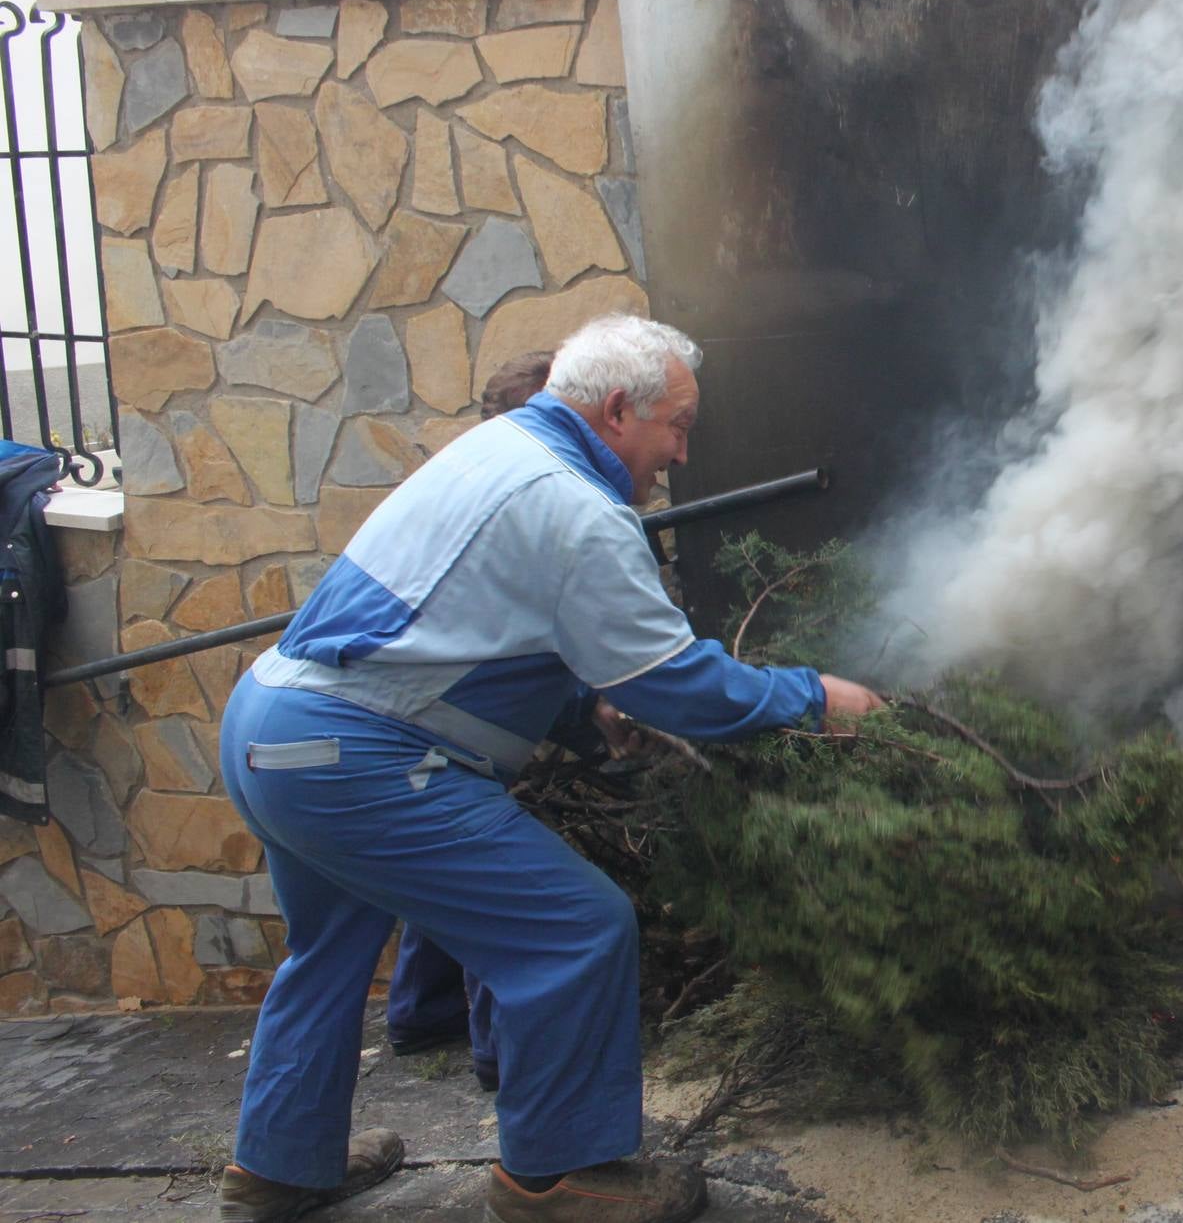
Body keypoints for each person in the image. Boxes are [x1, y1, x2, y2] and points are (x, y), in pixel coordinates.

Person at [214, 316, 884, 1223]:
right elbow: (675, 682)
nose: (680, 455)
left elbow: (454, 631)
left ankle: (277, 1168)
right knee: (574, 928)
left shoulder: (498, 451)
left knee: (326, 950)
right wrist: (813, 699)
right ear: (618, 409)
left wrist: (580, 710)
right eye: (678, 427)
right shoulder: (570, 503)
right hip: (355, 756)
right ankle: (558, 1177)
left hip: (274, 729)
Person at [383, 349, 560, 1091]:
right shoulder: (527, 503)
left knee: (440, 875)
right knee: (498, 889)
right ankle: (498, 1057)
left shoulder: (450, 488)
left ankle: (422, 1014)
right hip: (436, 723)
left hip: (419, 719)